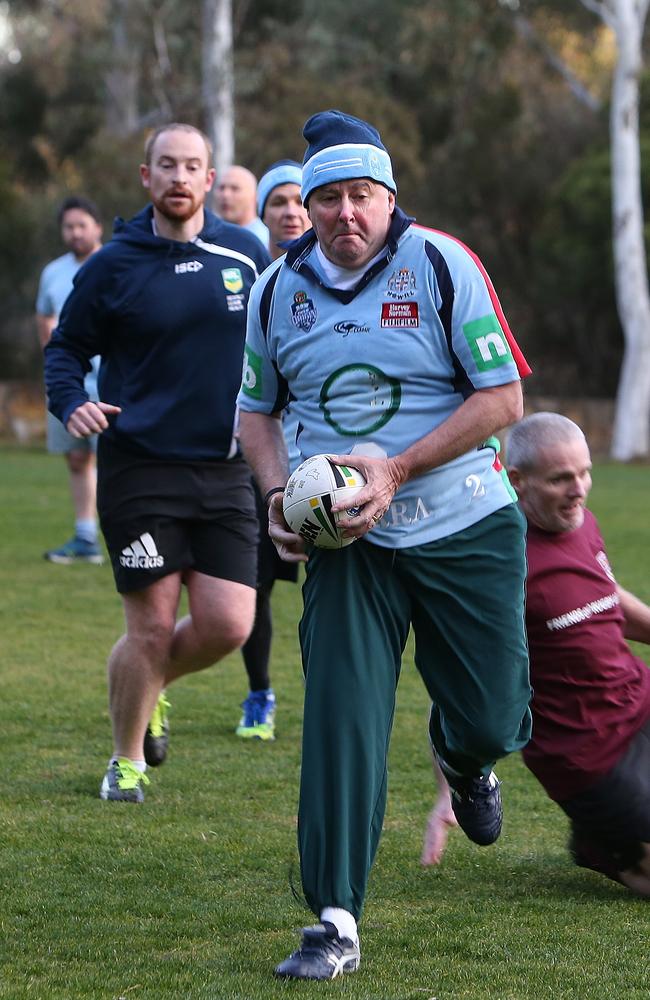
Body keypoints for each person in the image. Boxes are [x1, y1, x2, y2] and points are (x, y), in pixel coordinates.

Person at [237, 109, 533, 980]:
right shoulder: (273, 289)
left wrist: (397, 469)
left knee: (492, 712)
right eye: (324, 197)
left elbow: (504, 398)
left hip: (463, 519)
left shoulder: (442, 263)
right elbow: (254, 412)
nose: (342, 213)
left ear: (389, 198)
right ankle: (334, 920)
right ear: (306, 206)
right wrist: (273, 498)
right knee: (342, 720)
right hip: (344, 545)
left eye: (360, 195)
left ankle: (464, 754)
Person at [44, 123, 271, 803]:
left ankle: (153, 689)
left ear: (210, 181)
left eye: (191, 166)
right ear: (147, 177)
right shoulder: (112, 265)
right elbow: (66, 350)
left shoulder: (246, 253)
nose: (178, 177)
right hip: (139, 467)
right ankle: (126, 761)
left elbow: (277, 345)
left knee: (231, 624)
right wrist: (69, 403)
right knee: (148, 625)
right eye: (165, 165)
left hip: (226, 467)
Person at [505, 412, 650, 895]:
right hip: (587, 756)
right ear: (517, 480)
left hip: (639, 700)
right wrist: (456, 784)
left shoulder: (582, 523)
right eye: (561, 479)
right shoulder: (500, 566)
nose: (579, 489)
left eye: (585, 472)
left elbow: (609, 598)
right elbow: (460, 677)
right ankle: (600, 844)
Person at [235, 160, 311, 741]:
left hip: (321, 454)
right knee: (254, 583)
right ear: (261, 212)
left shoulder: (335, 275)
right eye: (277, 201)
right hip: (258, 460)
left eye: (297, 199)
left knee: (328, 577)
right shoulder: (244, 278)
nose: (289, 211)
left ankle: (334, 692)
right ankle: (260, 692)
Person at [36, 196, 104, 564]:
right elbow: (44, 318)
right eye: (69, 226)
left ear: (97, 227)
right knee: (77, 459)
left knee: (117, 460)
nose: (76, 233)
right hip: (71, 385)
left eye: (82, 225)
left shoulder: (115, 264)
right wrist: (55, 371)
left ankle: (129, 536)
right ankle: (85, 537)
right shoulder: (53, 272)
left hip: (111, 383)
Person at [215, 164, 269, 246]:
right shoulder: (207, 238)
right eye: (221, 188)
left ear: (255, 196)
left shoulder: (264, 242)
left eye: (235, 188)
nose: (225, 195)